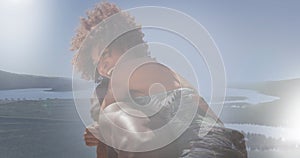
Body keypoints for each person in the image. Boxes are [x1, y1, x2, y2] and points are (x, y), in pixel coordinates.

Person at [70, 2, 247, 158]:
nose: (103, 66)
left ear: (124, 44)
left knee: (113, 115)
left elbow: (105, 127)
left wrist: (99, 128)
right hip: (226, 144)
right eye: (97, 63)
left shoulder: (126, 72)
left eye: (106, 54)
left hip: (203, 146)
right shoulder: (155, 73)